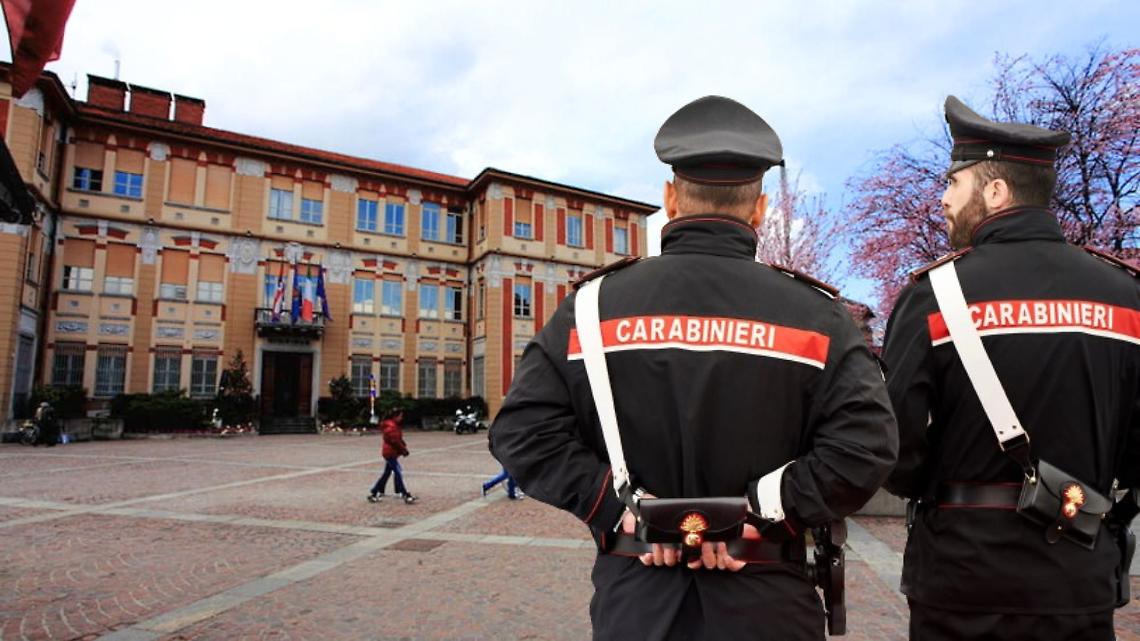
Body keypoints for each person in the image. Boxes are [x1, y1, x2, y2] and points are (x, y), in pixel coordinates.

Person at [490, 95, 898, 641]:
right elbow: (866, 447)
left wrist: (620, 509)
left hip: (637, 599)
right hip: (768, 599)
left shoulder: (590, 308)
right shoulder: (819, 315)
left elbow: (521, 431)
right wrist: (756, 516)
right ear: (760, 210)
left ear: (670, 199)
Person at [882, 96, 1140, 640]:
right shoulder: (1126, 298)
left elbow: (894, 446)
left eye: (955, 183)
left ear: (995, 192)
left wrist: (944, 492)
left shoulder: (936, 297)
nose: (943, 200)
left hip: (961, 577)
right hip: (1079, 572)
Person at [367, 411, 417, 505]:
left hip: (390, 452)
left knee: (387, 473)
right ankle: (405, 494)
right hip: (390, 453)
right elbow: (395, 441)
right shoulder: (392, 427)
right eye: (400, 416)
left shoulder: (391, 425)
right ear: (395, 417)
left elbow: (397, 439)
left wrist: (402, 446)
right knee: (397, 473)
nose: (401, 418)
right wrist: (403, 450)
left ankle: (374, 491)